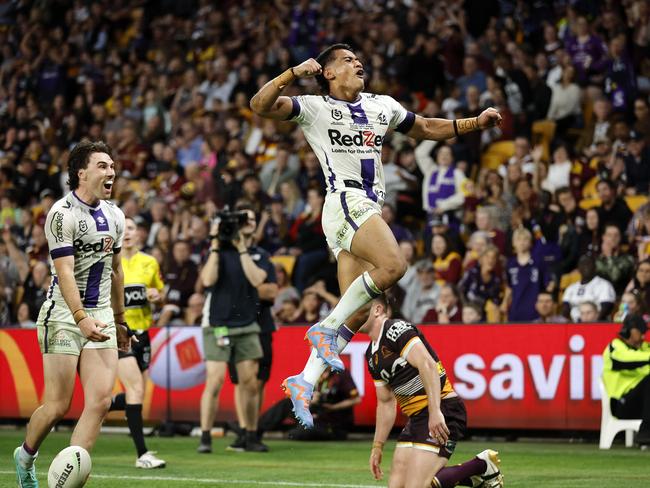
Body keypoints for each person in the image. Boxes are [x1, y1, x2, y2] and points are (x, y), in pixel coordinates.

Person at [250, 43, 501, 427]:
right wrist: (292, 74)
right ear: (329, 73)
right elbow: (260, 105)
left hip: (364, 210)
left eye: (358, 59)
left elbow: (426, 127)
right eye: (348, 61)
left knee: (362, 310)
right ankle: (325, 329)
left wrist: (474, 123)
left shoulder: (380, 105)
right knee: (394, 265)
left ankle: (306, 380)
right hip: (346, 201)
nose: (358, 63)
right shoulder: (315, 108)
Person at [14, 140, 131, 487]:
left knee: (100, 401)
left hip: (103, 313)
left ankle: (66, 480)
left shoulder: (116, 215)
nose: (111, 172)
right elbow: (64, 271)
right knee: (57, 406)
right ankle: (25, 456)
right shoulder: (61, 214)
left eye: (112, 166)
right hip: (64, 314)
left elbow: (117, 269)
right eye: (102, 166)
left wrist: (121, 319)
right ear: (81, 173)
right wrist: (81, 317)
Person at [361, 296, 503, 488]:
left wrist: (435, 411)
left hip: (442, 408)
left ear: (377, 310)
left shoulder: (395, 329)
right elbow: (386, 403)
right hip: (417, 418)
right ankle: (479, 470)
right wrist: (377, 446)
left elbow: (427, 364)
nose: (350, 316)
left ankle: (480, 465)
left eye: (356, 309)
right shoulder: (371, 354)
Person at [197, 203, 275, 454]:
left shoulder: (257, 254)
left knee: (250, 382)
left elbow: (257, 280)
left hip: (247, 325)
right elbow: (207, 280)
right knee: (216, 380)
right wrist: (216, 244)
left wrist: (242, 248)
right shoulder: (217, 250)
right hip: (218, 324)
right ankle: (206, 436)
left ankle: (250, 434)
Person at [107, 216, 166, 468]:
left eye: (131, 228)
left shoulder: (149, 263)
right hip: (120, 332)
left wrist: (157, 296)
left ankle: (101, 403)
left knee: (136, 394)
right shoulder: (111, 261)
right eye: (124, 228)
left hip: (144, 333)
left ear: (139, 234)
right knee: (136, 390)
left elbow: (160, 294)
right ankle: (142, 454)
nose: (127, 233)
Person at [258, 368, 360, 441]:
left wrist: (333, 407)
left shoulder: (341, 374)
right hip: (314, 413)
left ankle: (296, 430)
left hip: (332, 422)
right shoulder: (313, 374)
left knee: (297, 434)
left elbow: (356, 399)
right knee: (288, 403)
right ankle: (256, 429)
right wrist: (310, 399)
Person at [602, 314, 650, 450]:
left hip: (644, 404)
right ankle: (646, 434)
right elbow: (627, 360)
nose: (643, 337)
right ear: (631, 330)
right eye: (641, 332)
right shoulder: (615, 347)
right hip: (622, 404)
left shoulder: (645, 348)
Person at [562, 255, 616, 322]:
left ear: (595, 267)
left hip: (597, 324)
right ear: (578, 268)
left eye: (588, 263)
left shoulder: (604, 285)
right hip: (575, 325)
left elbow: (606, 308)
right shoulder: (571, 288)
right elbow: (565, 309)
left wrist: (592, 324)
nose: (585, 266)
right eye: (582, 264)